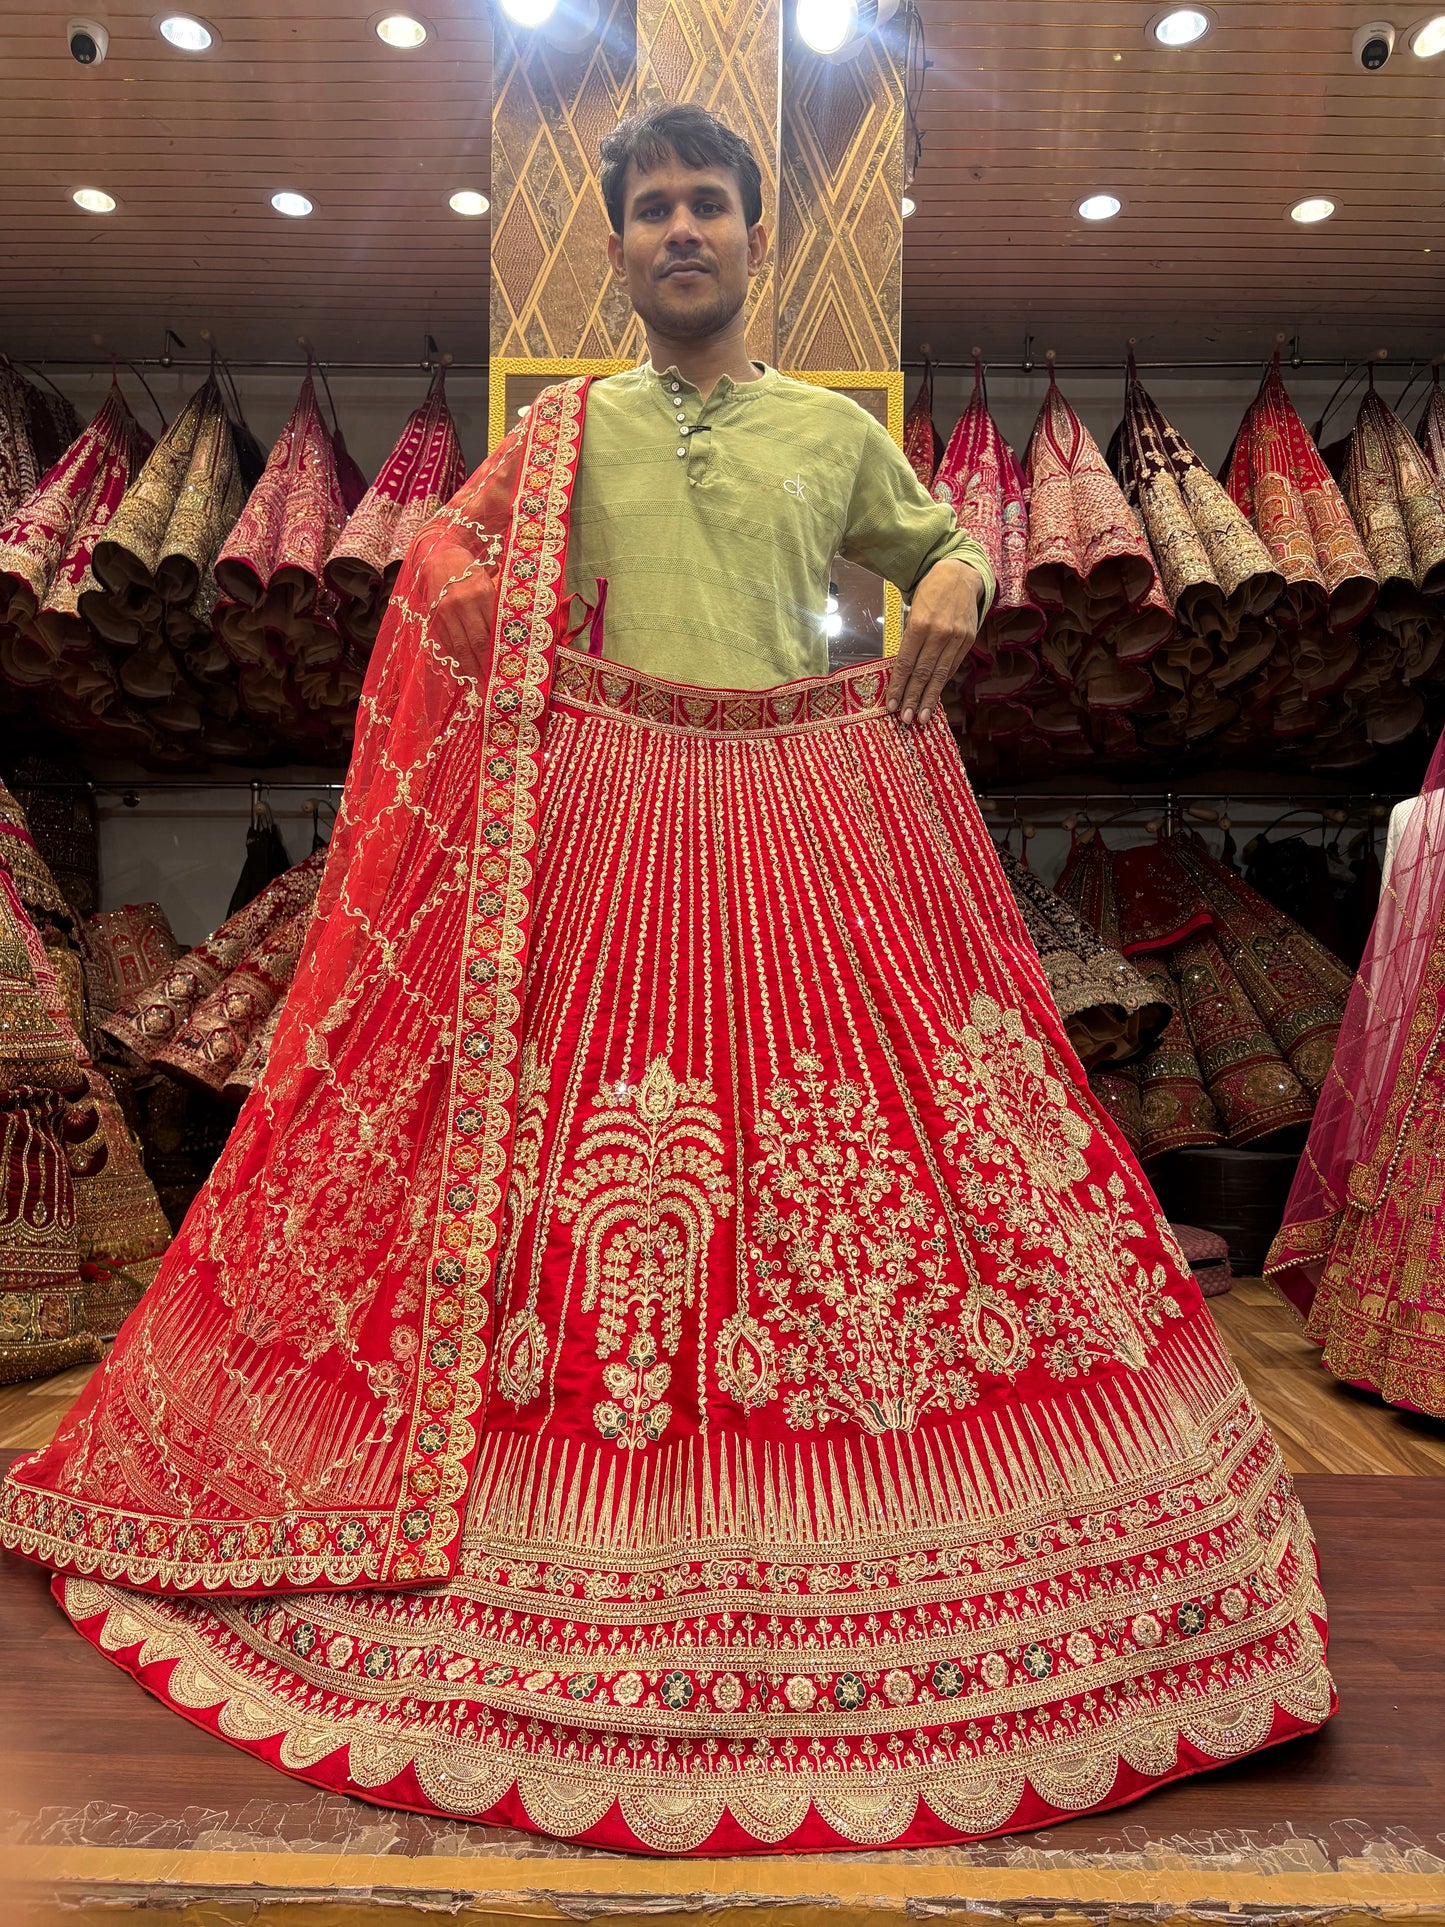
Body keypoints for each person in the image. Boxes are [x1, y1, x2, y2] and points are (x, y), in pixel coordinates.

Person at [2, 105, 1331, 1857]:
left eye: (709, 204)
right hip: (601, 836)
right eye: (653, 210)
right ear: (617, 247)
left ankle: (880, 1498)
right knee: (584, 1174)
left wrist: (945, 589)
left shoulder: (825, 433)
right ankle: (568, 1487)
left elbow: (940, 550)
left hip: (804, 828)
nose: (682, 231)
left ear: (753, 239)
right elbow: (443, 550)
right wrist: (465, 576)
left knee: (862, 1161)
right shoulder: (561, 429)